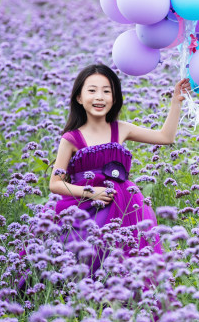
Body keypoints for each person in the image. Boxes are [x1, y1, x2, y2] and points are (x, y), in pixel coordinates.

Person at [47, 63, 189, 274]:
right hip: (85, 208)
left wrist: (176, 102)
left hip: (124, 206)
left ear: (115, 98)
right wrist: (90, 192)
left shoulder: (121, 129)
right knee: (86, 258)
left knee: (127, 259)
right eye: (92, 90)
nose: (100, 97)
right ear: (78, 97)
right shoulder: (71, 139)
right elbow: (55, 183)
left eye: (107, 91)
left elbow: (165, 137)